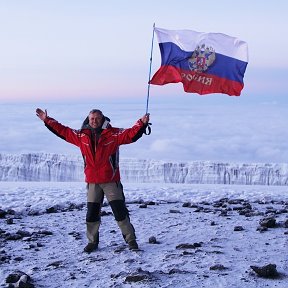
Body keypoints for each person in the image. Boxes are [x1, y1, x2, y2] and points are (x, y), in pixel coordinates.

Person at [36, 108, 150, 253]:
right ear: (88, 120)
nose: (94, 121)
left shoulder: (113, 134)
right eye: (92, 119)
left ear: (102, 119)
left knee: (120, 213)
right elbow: (63, 131)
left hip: (110, 181)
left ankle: (131, 240)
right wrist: (47, 120)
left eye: (97, 118)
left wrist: (142, 123)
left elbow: (130, 135)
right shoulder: (81, 136)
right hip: (92, 182)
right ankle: (92, 242)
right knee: (91, 215)